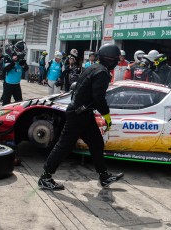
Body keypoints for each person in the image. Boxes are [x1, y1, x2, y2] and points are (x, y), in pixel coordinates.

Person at [38, 44, 124, 190]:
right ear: (110, 59)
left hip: (83, 113)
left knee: (96, 143)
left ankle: (104, 176)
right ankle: (45, 178)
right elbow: (99, 98)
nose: (117, 62)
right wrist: (106, 115)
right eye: (116, 59)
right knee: (64, 145)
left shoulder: (92, 68)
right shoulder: (102, 73)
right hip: (79, 115)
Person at [2, 42, 29, 106]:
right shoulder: (8, 57)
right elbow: (6, 69)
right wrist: (13, 61)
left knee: (19, 103)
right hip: (8, 84)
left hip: (17, 84)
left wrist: (24, 65)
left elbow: (26, 69)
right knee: (6, 103)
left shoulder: (20, 58)